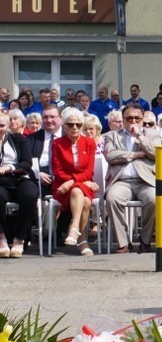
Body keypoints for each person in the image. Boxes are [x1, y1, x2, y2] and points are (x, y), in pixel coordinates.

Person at [104, 104, 161, 254]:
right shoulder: (112, 135)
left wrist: (140, 137)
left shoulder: (152, 134)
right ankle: (123, 242)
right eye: (129, 118)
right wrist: (135, 155)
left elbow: (156, 153)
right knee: (112, 199)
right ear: (123, 120)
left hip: (145, 182)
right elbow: (110, 155)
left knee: (154, 199)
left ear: (142, 119)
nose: (133, 121)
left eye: (137, 118)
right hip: (122, 181)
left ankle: (145, 240)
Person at [51, 108, 97, 257]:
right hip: (62, 185)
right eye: (70, 125)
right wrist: (70, 182)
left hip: (82, 182)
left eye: (78, 124)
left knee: (79, 193)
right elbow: (57, 170)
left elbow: (89, 171)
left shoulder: (89, 143)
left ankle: (74, 227)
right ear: (64, 126)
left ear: (82, 126)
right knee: (85, 201)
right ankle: (82, 241)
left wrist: (72, 182)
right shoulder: (57, 143)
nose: (75, 128)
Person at [0, 113, 39, 258]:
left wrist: (9, 167)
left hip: (19, 179)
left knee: (30, 194)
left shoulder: (19, 139)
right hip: (1, 183)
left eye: (2, 126)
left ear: (8, 125)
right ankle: (1, 239)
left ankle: (19, 239)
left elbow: (27, 163)